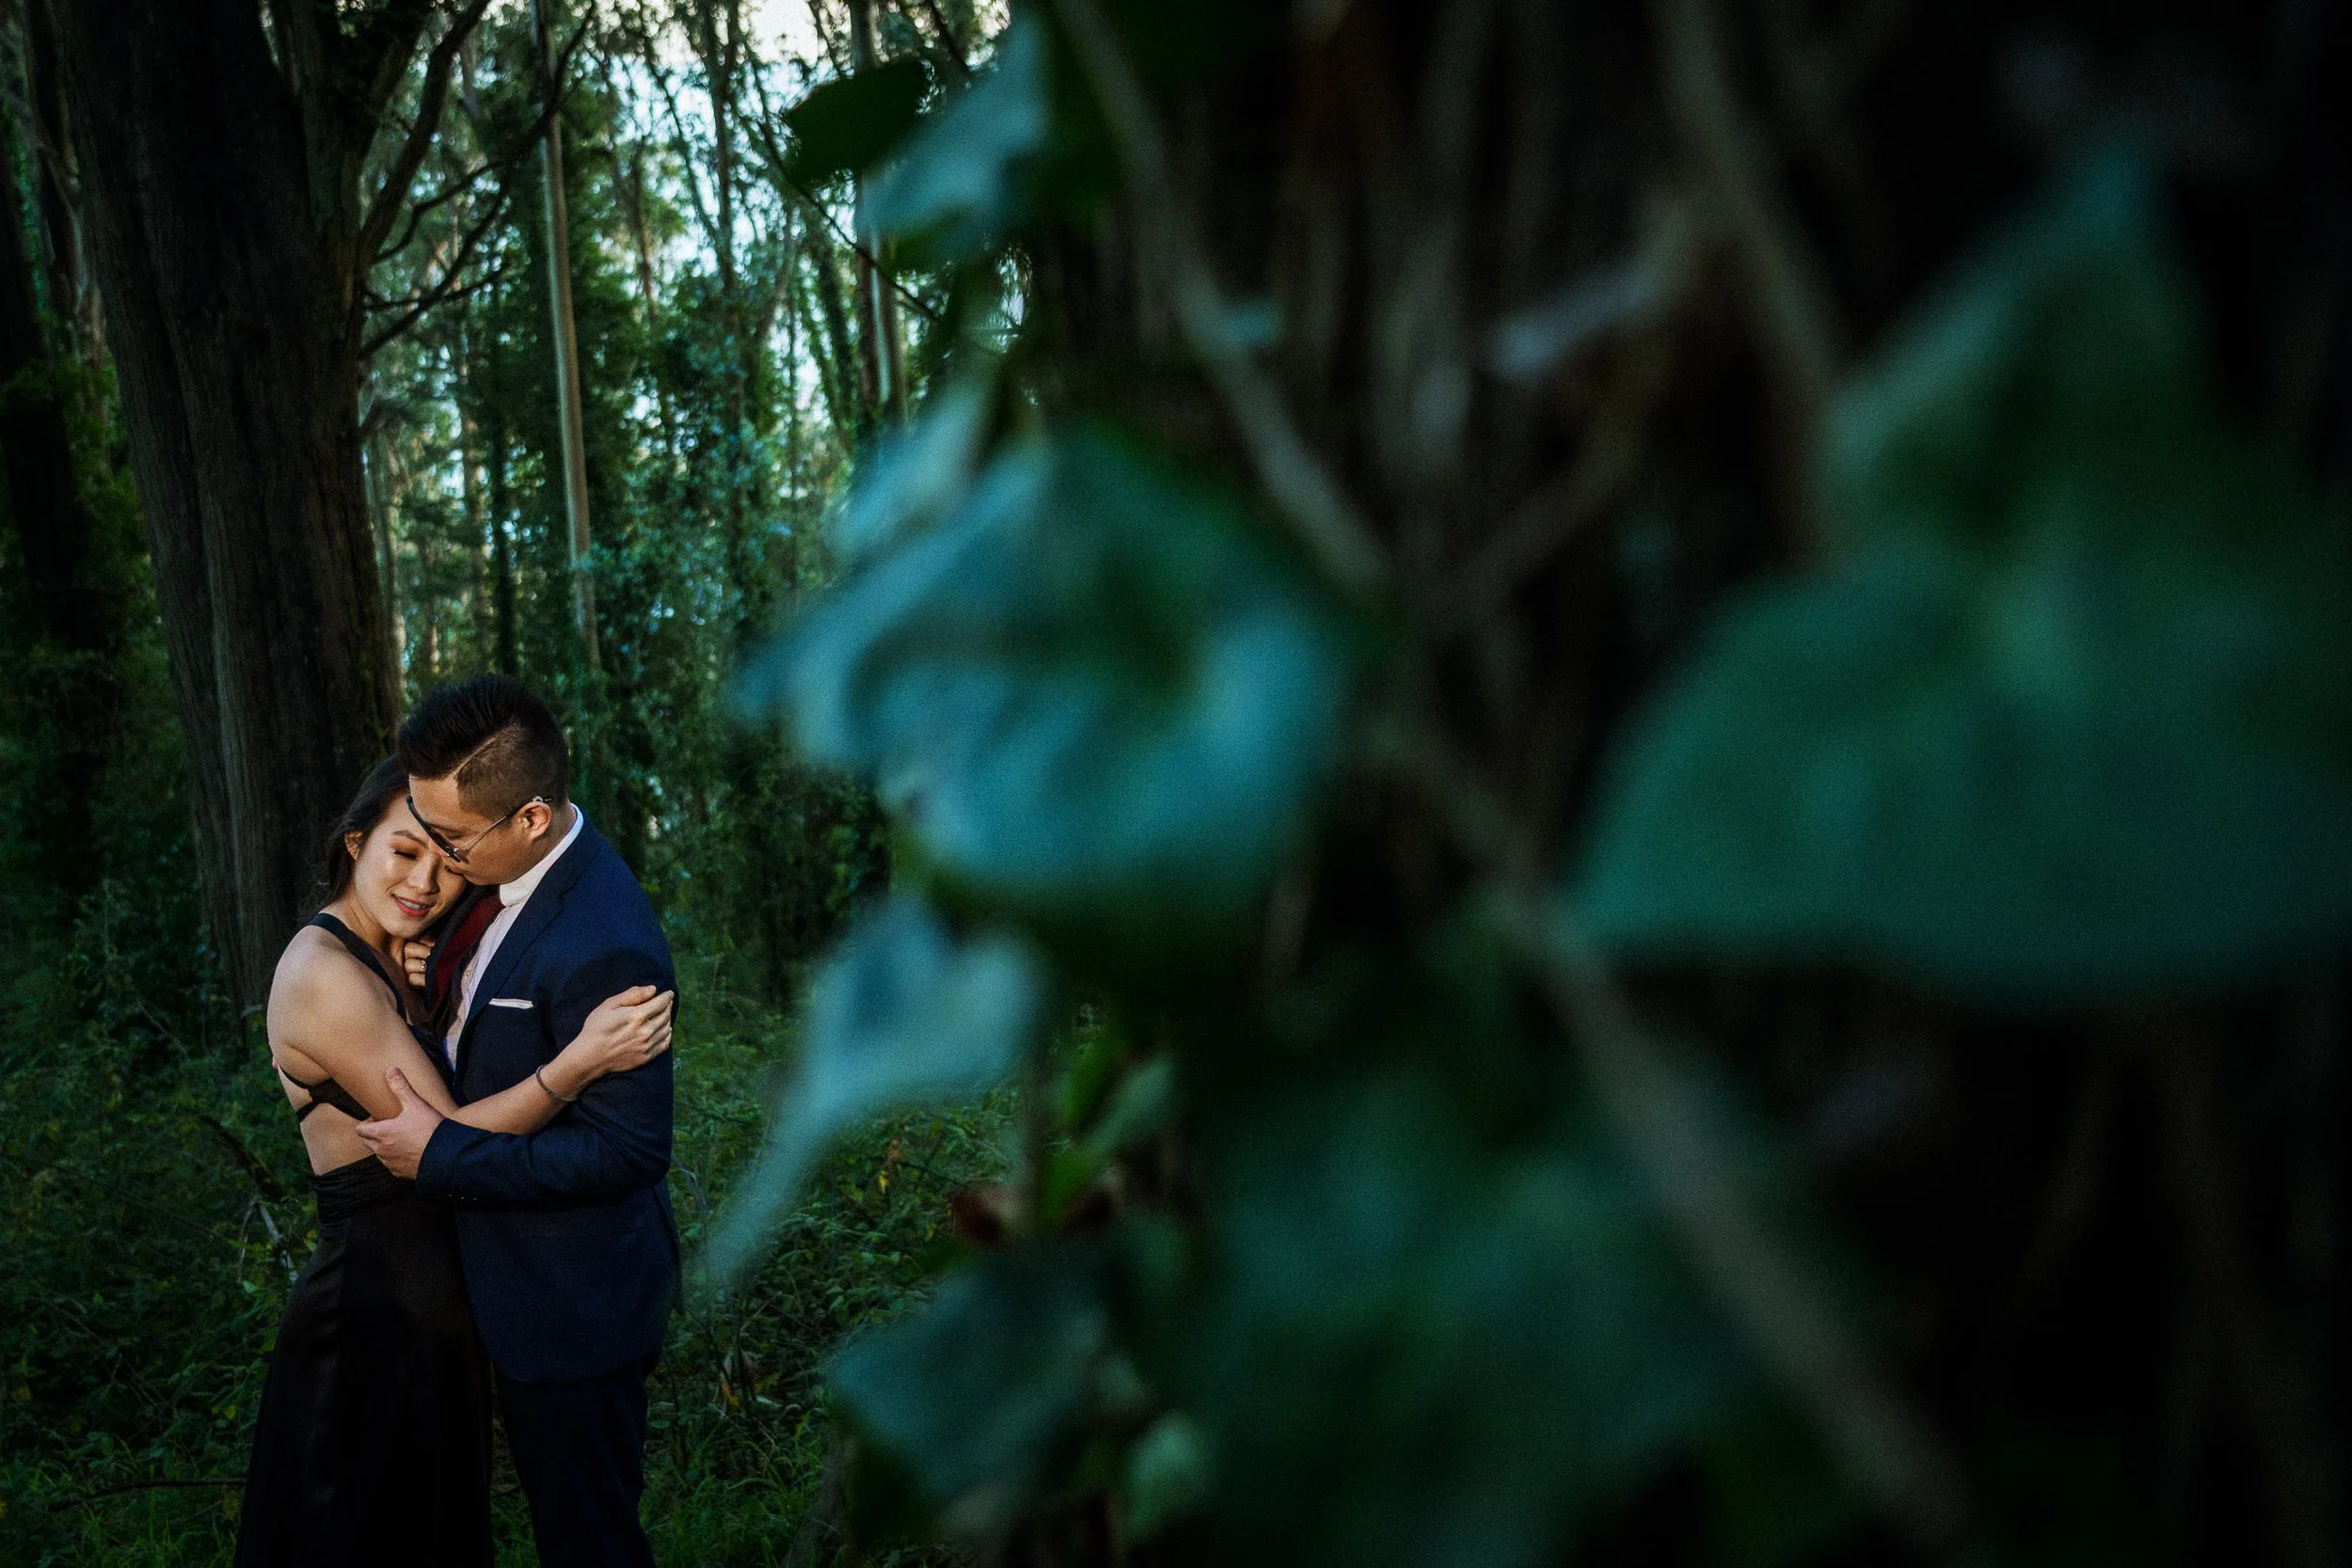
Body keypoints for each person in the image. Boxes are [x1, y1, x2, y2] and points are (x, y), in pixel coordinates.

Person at [234, 756, 675, 1568]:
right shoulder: (323, 974)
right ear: (355, 843)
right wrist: (576, 1064)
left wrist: (432, 983)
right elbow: (448, 1140)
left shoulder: (402, 953)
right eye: (403, 853)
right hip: (377, 1306)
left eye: (445, 860)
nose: (424, 882)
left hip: (439, 1303)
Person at [356, 674, 680, 1568]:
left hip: (573, 1302)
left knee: (589, 1541)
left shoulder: (606, 942)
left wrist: (443, 1155)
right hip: (507, 1288)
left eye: (451, 838)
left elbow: (629, 1149)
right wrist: (433, 986)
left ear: (531, 818)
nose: (438, 857)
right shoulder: (501, 877)